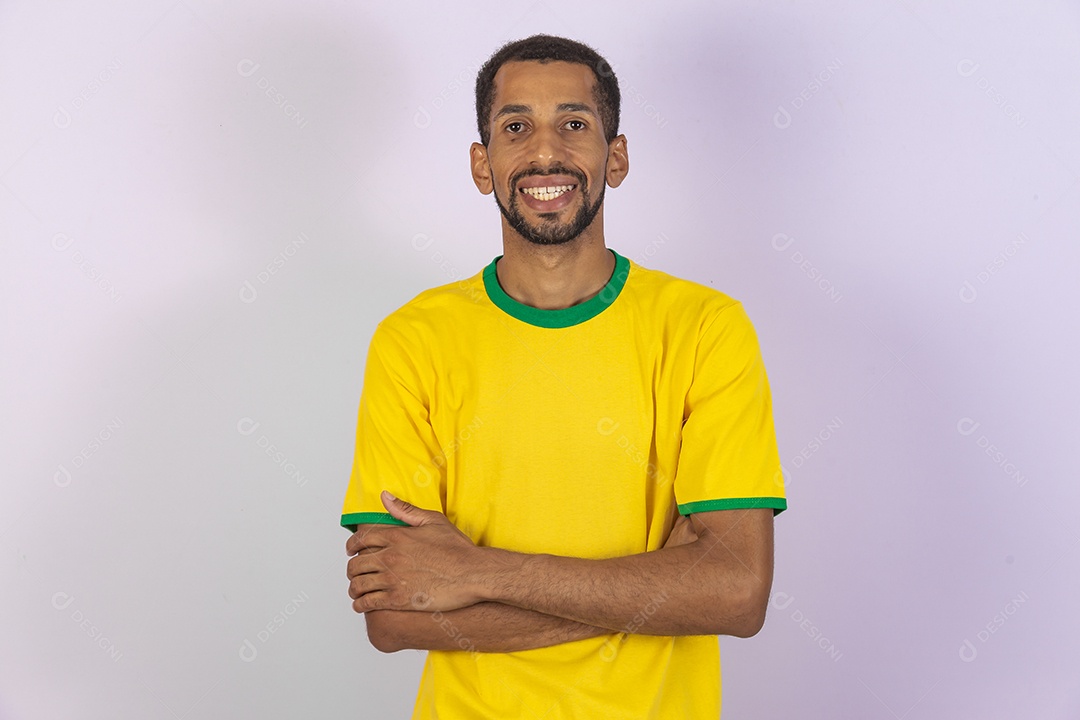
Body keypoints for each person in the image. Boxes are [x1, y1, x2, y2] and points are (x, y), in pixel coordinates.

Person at [341, 33, 787, 719]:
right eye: (515, 126)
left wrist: (475, 575)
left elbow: (736, 594)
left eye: (573, 124)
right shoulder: (412, 340)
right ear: (482, 164)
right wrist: (664, 585)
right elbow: (395, 617)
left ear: (616, 157)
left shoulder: (705, 327)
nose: (545, 152)